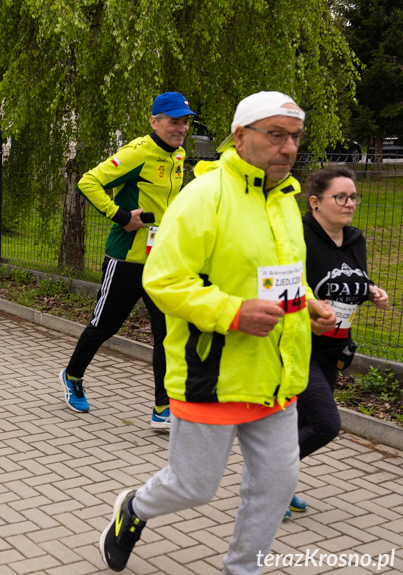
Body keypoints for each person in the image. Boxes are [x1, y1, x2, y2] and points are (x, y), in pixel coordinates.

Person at [98, 91, 337, 574]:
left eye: (294, 137)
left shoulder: (287, 200)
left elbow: (282, 274)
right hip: (214, 370)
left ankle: (242, 568)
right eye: (275, 135)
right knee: (194, 487)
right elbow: (162, 280)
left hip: (275, 374)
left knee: (275, 485)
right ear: (240, 136)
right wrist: (232, 313)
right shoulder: (203, 197)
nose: (288, 148)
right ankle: (133, 510)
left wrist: (307, 302)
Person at [58, 92, 196, 424]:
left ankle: (163, 407)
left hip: (161, 261)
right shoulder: (137, 153)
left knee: (167, 333)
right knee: (104, 325)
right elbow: (89, 182)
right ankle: (72, 376)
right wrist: (121, 216)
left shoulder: (178, 155)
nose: (181, 128)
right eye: (174, 121)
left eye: (186, 122)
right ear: (155, 121)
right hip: (126, 259)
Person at [288, 165, 389, 518]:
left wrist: (371, 291)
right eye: (341, 197)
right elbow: (282, 286)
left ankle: (279, 485)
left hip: (335, 348)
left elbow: (349, 281)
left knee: (302, 423)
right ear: (315, 202)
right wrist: (309, 308)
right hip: (300, 345)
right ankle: (266, 482)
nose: (349, 203)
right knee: (326, 424)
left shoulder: (354, 239)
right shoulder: (297, 236)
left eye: (353, 197)